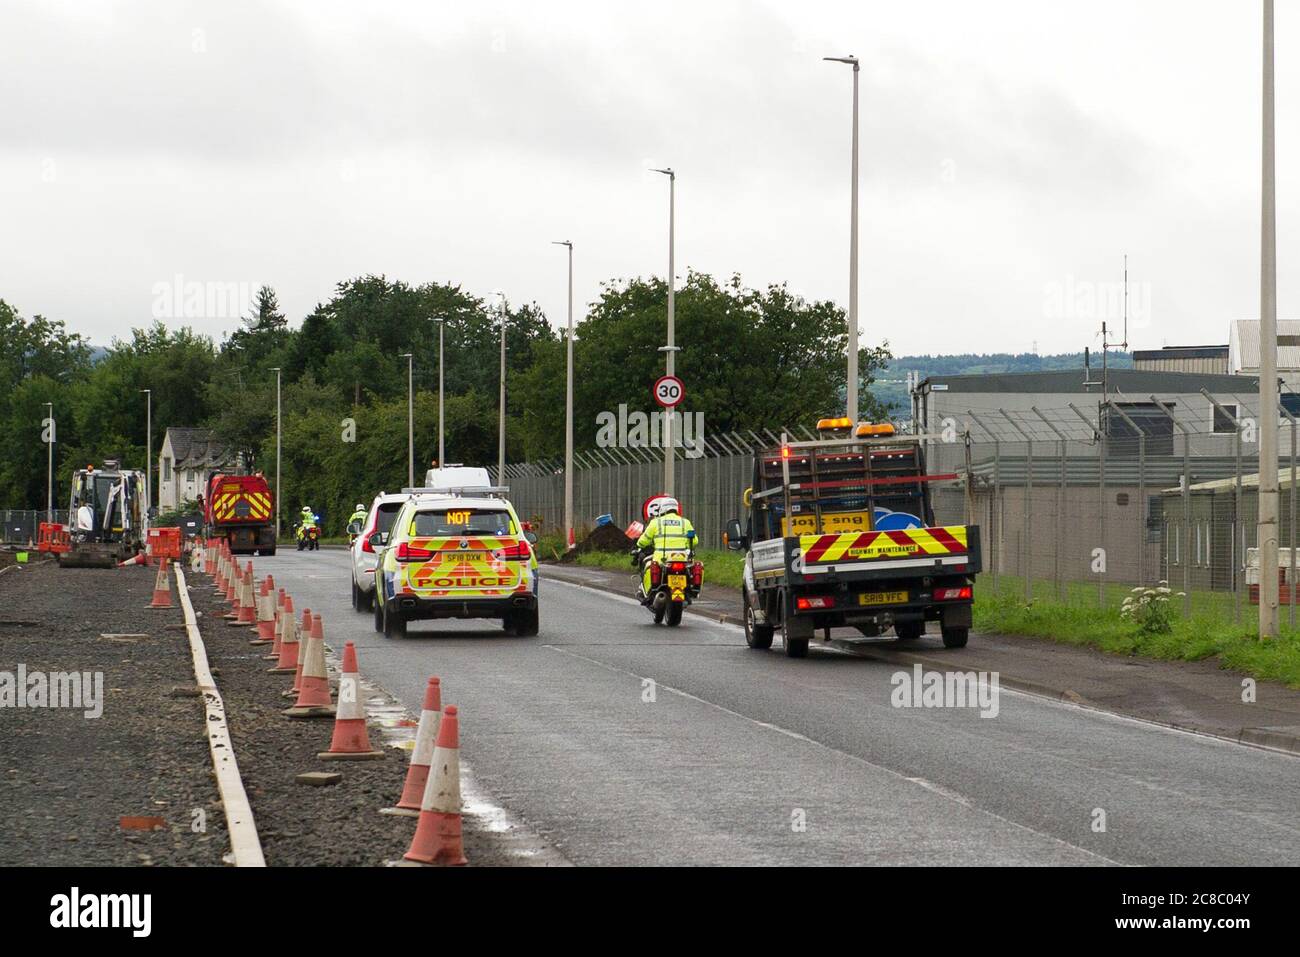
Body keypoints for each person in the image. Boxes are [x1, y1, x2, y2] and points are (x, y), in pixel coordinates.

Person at [634, 498, 696, 600]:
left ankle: (645, 592)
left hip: (661, 559)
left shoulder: (656, 522)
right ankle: (688, 591)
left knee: (647, 566)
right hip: (681, 559)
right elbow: (694, 541)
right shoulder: (685, 522)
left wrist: (639, 545)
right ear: (676, 509)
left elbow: (644, 540)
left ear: (662, 509)